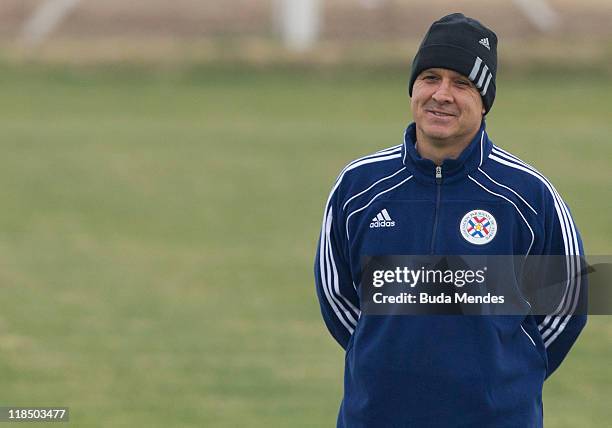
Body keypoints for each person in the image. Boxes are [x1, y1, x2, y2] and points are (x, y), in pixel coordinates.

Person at [314, 13, 587, 427]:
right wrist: (385, 358)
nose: (442, 94)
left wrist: (504, 375)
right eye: (430, 78)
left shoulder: (527, 195)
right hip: (378, 416)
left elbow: (569, 303)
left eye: (461, 84)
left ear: (484, 101)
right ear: (413, 88)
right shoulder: (359, 186)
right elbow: (338, 298)